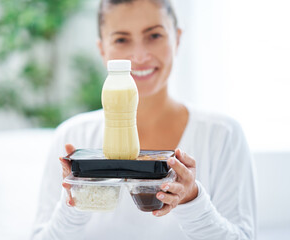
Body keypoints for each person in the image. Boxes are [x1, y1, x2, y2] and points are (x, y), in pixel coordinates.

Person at [32, 0, 257, 239]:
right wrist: (76, 202)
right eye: (121, 39)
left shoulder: (222, 135)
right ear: (102, 50)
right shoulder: (73, 138)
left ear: (177, 39)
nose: (139, 56)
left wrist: (192, 200)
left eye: (154, 35)